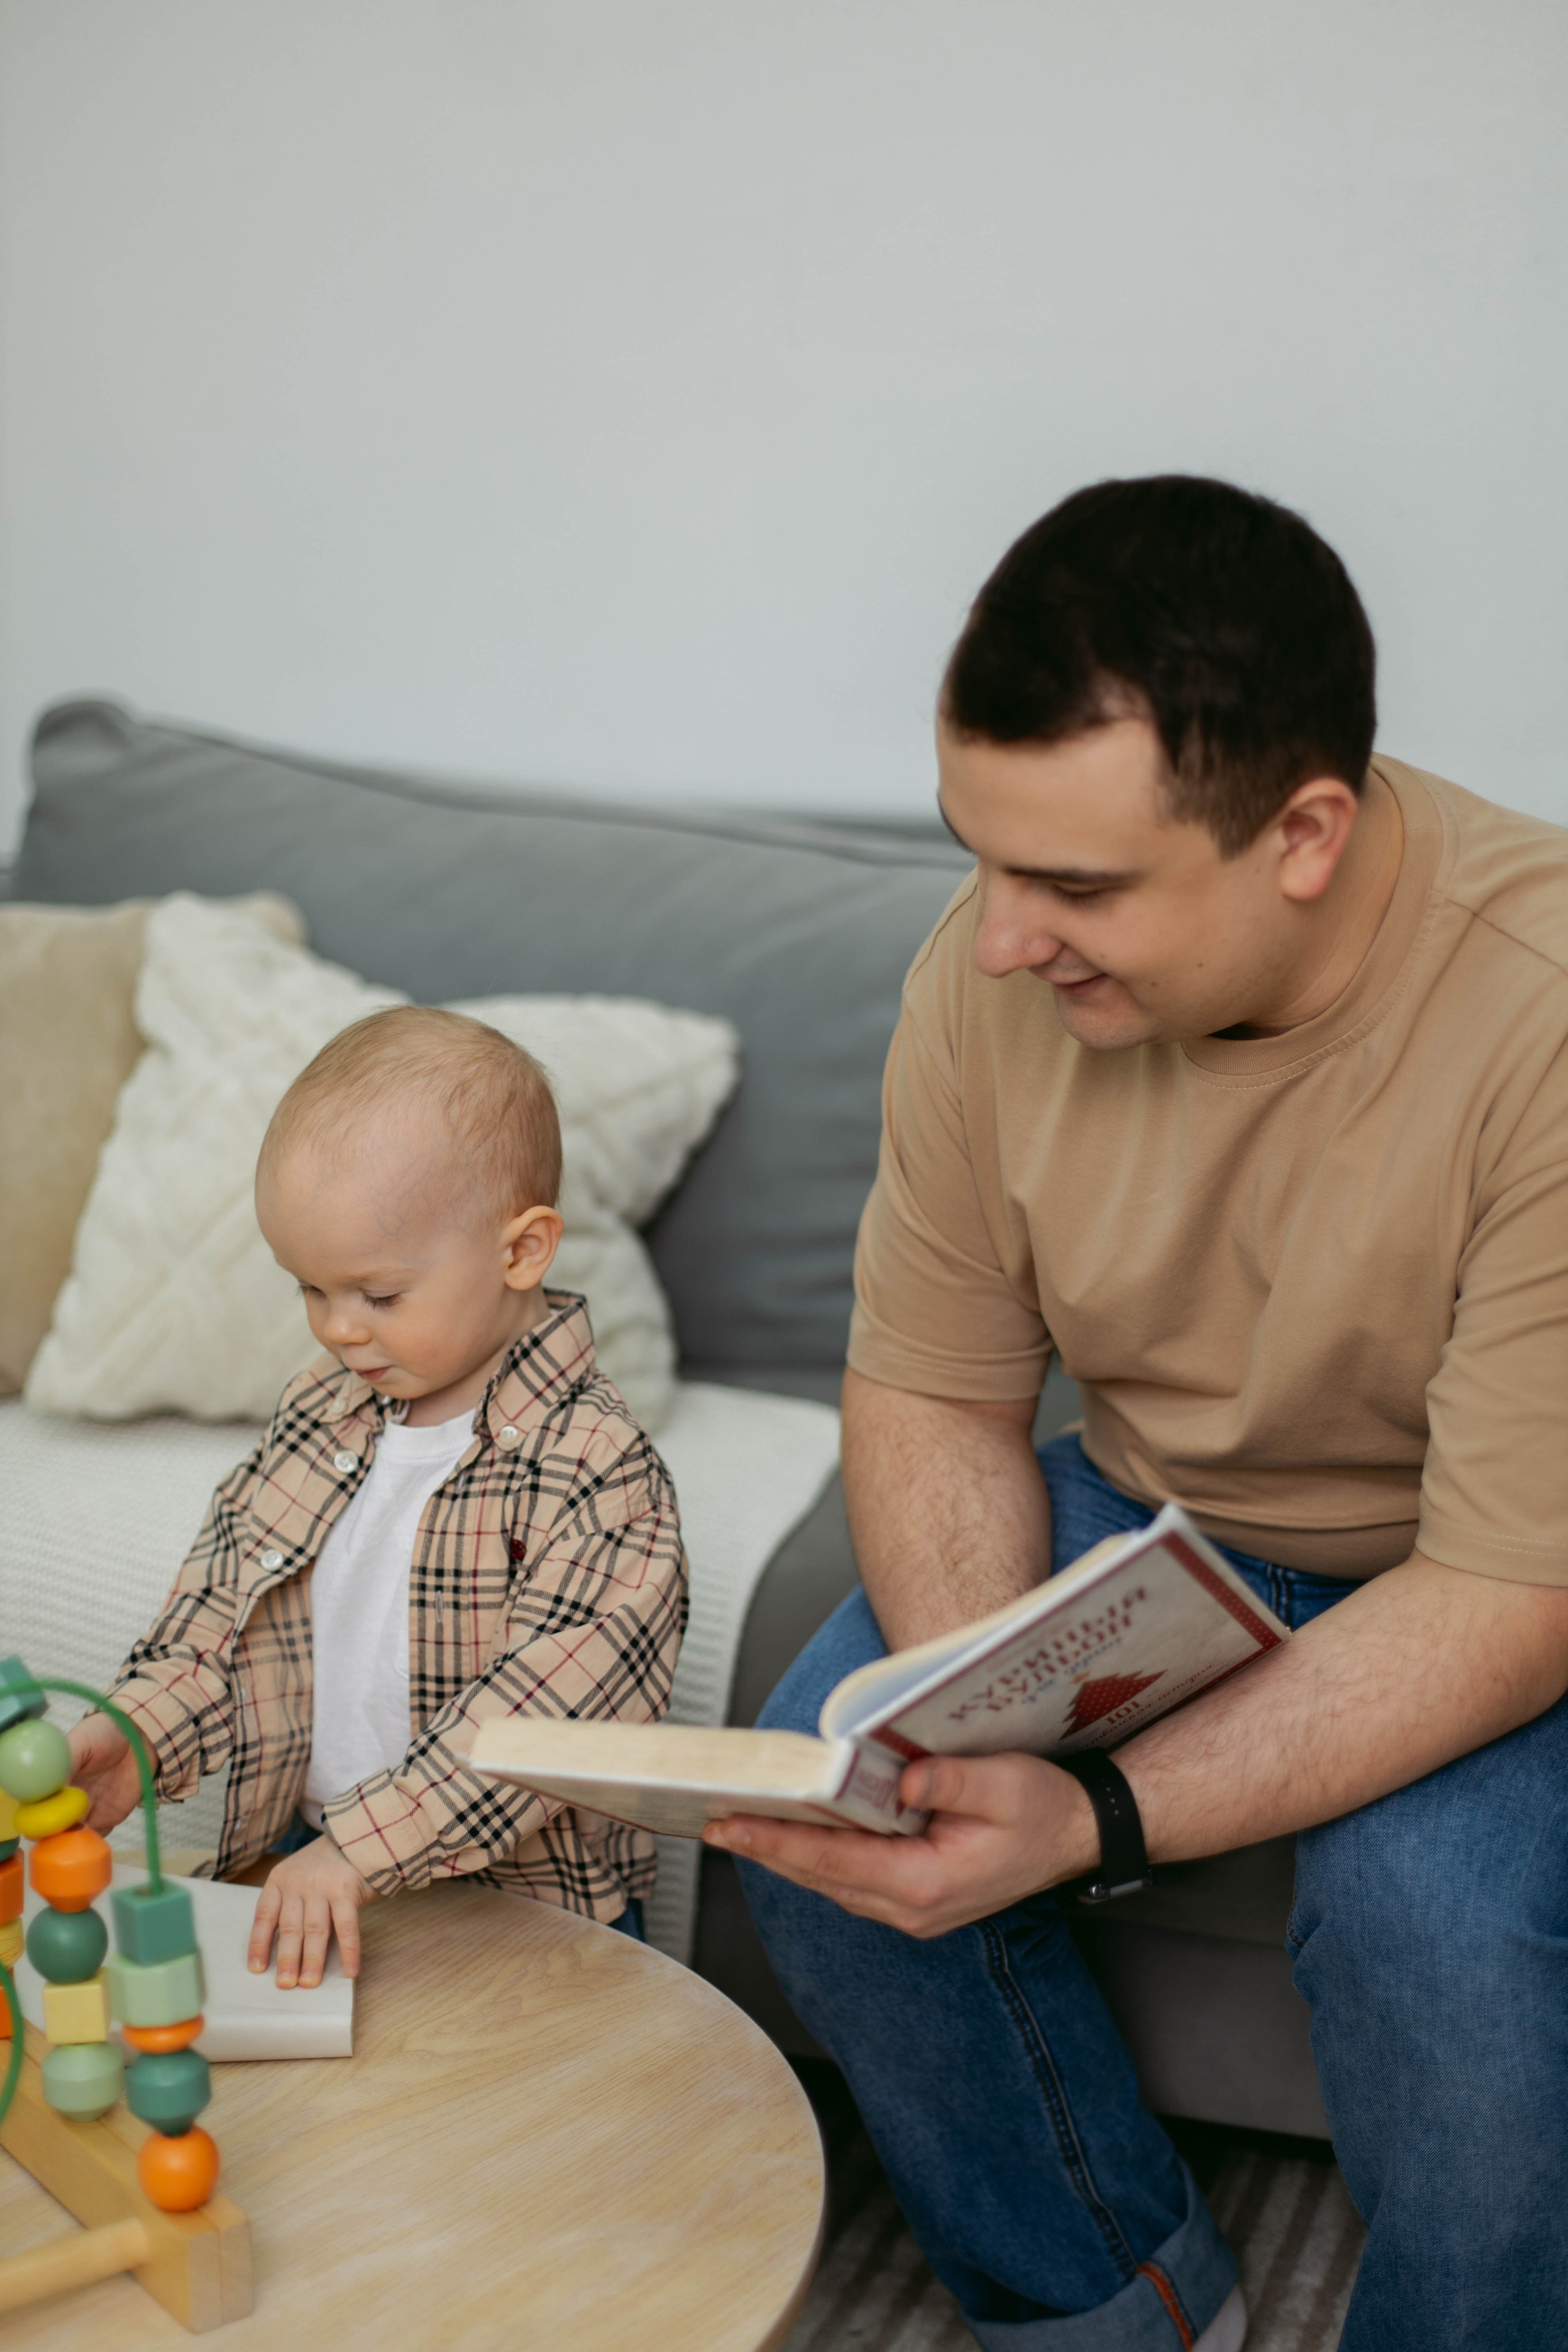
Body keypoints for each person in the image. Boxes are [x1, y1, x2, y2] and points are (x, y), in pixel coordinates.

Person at [706, 477, 1568, 2352]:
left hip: (1480, 1571)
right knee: (835, 1792)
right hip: (1164, 1516)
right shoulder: (983, 975)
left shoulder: (1546, 1020)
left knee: (1439, 1929)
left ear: (1306, 834)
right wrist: (970, 1716)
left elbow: (1510, 1595)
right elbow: (935, 1382)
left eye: (1078, 886)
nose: (1003, 938)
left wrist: (1088, 1813)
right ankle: (1108, 2300)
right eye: (984, 858)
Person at [70, 1006, 686, 1988]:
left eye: (379, 1296)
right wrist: (136, 1728)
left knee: (522, 2130)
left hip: (530, 1917)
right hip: (327, 1864)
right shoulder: (320, 1415)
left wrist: (360, 1852)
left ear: (522, 1251)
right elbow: (224, 1623)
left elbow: (539, 1728)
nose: (340, 1332)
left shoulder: (600, 1475)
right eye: (310, 1290)